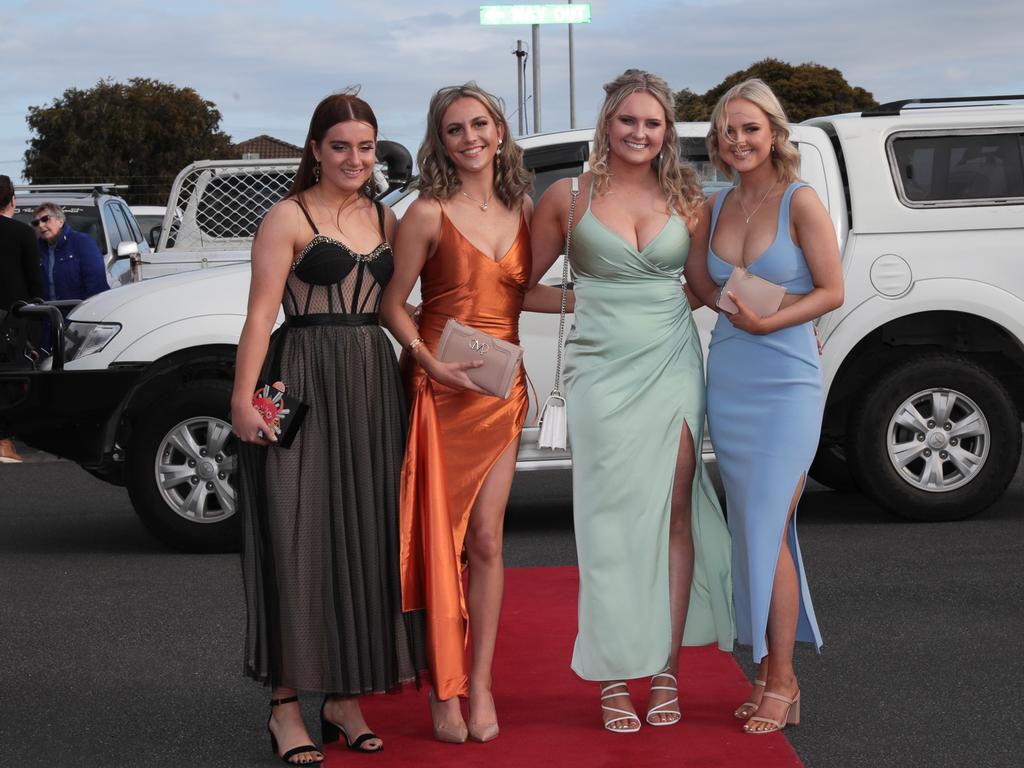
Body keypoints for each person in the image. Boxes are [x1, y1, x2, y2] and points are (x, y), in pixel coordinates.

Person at [530, 69, 734, 733]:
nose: (640, 133)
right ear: (608, 124)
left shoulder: (688, 195)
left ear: (666, 131)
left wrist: (784, 317)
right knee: (608, 522)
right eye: (629, 121)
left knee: (675, 514)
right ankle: (615, 676)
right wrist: (582, 298)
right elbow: (517, 285)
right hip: (599, 370)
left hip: (673, 365)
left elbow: (701, 284)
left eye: (652, 123)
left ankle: (667, 670)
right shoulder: (568, 195)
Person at [231, 91, 426, 765]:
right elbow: (260, 317)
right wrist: (242, 402)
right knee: (298, 534)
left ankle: (343, 698)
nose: (354, 158)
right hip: (302, 378)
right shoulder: (287, 215)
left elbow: (402, 303)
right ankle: (286, 706)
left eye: (366, 147)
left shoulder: (386, 215)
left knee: (367, 536)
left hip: (373, 382)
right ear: (315, 148)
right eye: (340, 145)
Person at [381, 82, 563, 744]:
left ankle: (478, 682)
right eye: (455, 129)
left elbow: (518, 297)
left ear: (499, 129)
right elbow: (393, 303)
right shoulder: (426, 212)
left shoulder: (522, 206)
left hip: (498, 392)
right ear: (440, 140)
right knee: (440, 542)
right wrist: (426, 362)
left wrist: (595, 302)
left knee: (487, 541)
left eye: (479, 124)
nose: (470, 138)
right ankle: (443, 689)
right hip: (439, 389)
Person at [685, 78, 844, 734]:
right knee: (758, 527)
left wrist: (769, 323)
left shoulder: (801, 201)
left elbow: (832, 290)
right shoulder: (713, 205)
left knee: (763, 526)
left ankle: (782, 679)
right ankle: (770, 676)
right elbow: (698, 282)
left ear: (774, 133)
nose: (739, 140)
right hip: (730, 377)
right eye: (728, 130)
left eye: (750, 128)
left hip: (786, 383)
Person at [0, 176, 45, 463]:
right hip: (12, 318)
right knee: (8, 378)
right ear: (13, 201)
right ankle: (4, 441)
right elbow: (34, 284)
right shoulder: (22, 234)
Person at [32, 203, 108, 301]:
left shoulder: (83, 242)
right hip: (47, 313)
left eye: (45, 219)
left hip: (78, 312)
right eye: (36, 223)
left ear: (60, 221)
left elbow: (96, 285)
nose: (41, 225)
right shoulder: (35, 248)